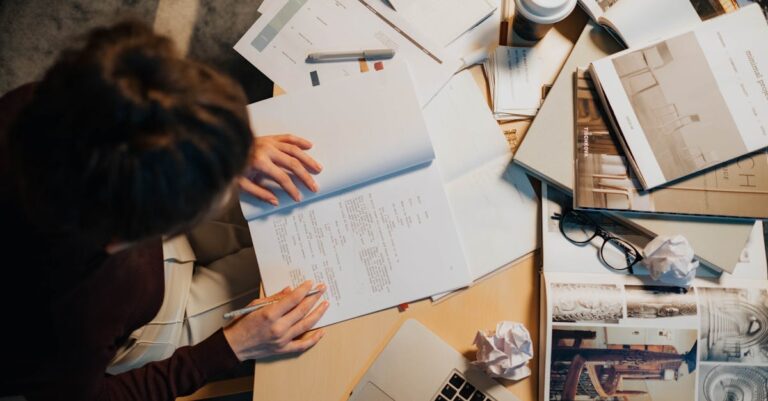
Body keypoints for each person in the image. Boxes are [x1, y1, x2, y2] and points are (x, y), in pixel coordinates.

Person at [0, 20, 328, 400]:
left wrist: (223, 143)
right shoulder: (69, 322)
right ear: (133, 233)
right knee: (306, 274)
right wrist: (229, 349)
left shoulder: (49, 107)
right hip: (140, 325)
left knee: (290, 219)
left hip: (130, 267)